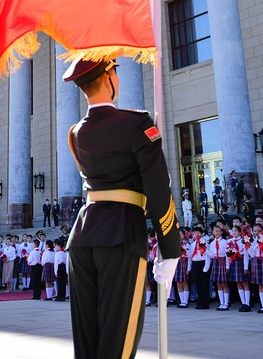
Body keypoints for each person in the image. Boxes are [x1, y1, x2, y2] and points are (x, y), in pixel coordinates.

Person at [62, 57, 180, 359]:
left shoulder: (76, 132)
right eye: (115, 72)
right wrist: (170, 248)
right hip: (122, 231)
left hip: (83, 234)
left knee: (88, 343)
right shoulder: (137, 123)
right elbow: (157, 186)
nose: (117, 77)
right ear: (108, 78)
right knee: (119, 340)